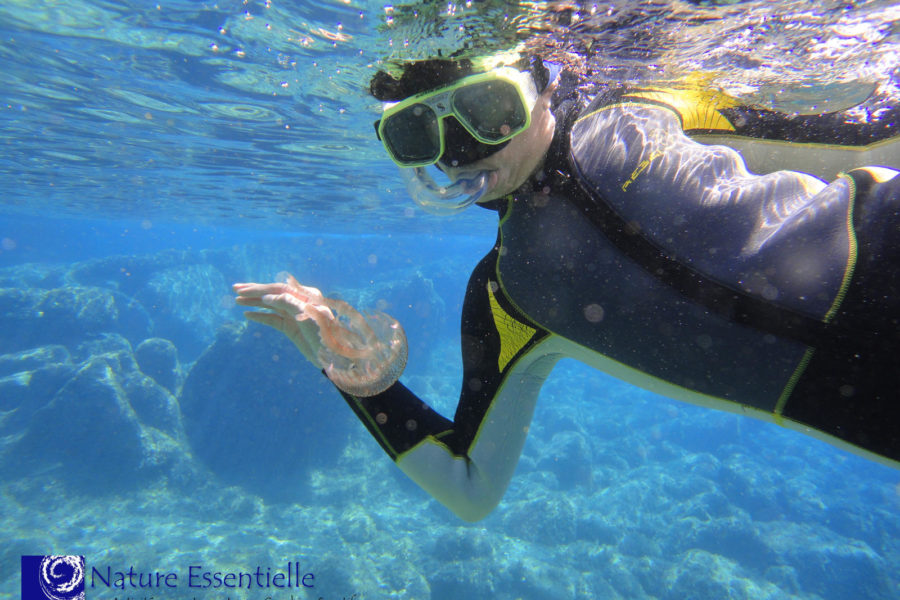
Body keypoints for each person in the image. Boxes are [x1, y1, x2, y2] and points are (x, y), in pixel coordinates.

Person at [234, 53, 900, 521]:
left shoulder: (641, 109)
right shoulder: (505, 296)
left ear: (543, 84)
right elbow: (470, 487)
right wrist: (348, 367)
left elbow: (873, 142)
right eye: (418, 133)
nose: (459, 151)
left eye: (487, 110)